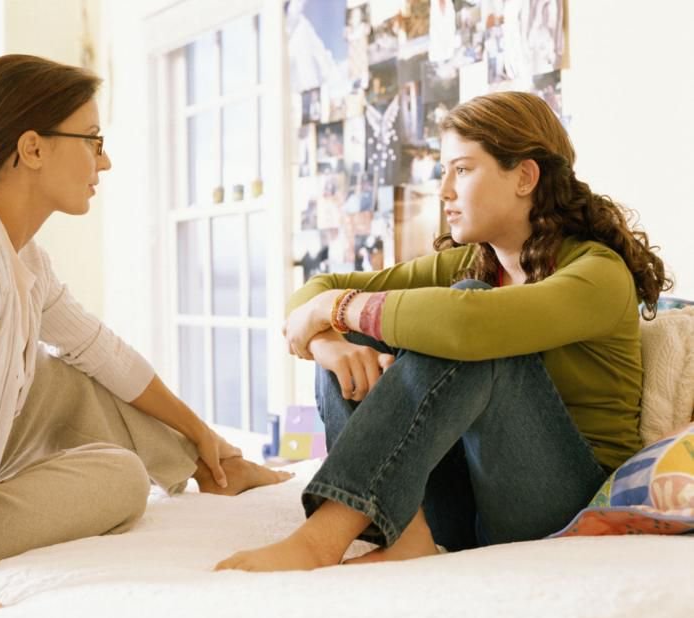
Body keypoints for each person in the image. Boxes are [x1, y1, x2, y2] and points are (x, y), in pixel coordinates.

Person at [0, 54, 290, 613]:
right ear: (32, 148)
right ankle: (195, 467)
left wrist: (204, 435)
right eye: (93, 141)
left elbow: (100, 350)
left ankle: (214, 467)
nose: (104, 162)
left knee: (63, 374)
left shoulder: (16, 247)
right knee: (121, 478)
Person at [215, 91, 673, 572]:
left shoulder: (597, 274)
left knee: (467, 308)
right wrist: (328, 339)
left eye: (463, 169)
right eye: (444, 172)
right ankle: (408, 533)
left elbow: (467, 324)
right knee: (361, 335)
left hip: (558, 504)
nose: (444, 191)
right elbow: (316, 290)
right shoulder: (475, 261)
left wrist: (337, 307)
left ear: (525, 176)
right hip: (462, 504)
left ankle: (321, 538)